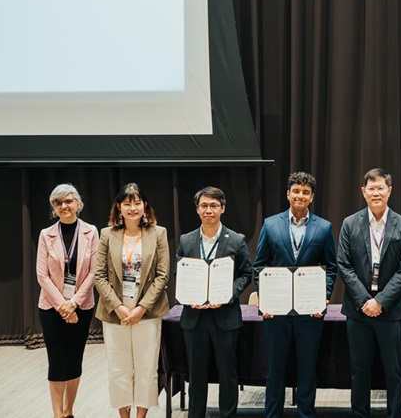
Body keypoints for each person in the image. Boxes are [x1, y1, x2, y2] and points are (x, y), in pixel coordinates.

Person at [253, 172, 338, 418]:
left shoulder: (323, 227)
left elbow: (331, 268)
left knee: (307, 370)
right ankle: (272, 415)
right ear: (288, 193)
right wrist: (264, 299)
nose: (300, 196)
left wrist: (324, 297)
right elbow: (259, 266)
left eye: (305, 192)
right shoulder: (270, 224)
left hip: (309, 312)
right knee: (275, 370)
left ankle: (306, 414)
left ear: (311, 197)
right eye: (296, 191)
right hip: (276, 312)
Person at [338, 168, 401, 418]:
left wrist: (380, 301)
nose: (376, 192)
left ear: (389, 191)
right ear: (363, 192)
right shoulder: (350, 223)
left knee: (393, 371)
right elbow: (344, 265)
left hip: (390, 311)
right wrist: (364, 301)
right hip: (358, 311)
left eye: (381, 187)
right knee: (359, 371)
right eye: (371, 188)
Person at [94, 183, 170, 418]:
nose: (132, 207)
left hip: (147, 313)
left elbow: (162, 274)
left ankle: (141, 416)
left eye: (137, 202)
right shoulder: (107, 234)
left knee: (147, 368)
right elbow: (98, 275)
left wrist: (141, 308)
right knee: (119, 368)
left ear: (145, 206)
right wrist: (117, 306)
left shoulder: (158, 233)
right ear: (119, 208)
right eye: (127, 203)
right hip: (114, 312)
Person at [177, 186, 252, 418]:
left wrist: (228, 294)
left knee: (227, 373)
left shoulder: (237, 240)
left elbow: (246, 274)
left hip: (225, 316)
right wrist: (189, 297)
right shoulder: (186, 239)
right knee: (196, 374)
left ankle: (228, 414)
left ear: (223, 208)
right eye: (204, 206)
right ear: (197, 210)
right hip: (195, 316)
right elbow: (179, 273)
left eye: (213, 205)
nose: (208, 210)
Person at [36, 183, 99, 418]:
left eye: (68, 201)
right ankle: (57, 414)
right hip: (51, 308)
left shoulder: (91, 232)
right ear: (54, 207)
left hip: (81, 307)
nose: (64, 206)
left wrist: (73, 303)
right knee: (56, 360)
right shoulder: (46, 234)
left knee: (74, 358)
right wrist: (63, 305)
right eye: (58, 202)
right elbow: (42, 275)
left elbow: (94, 272)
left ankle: (69, 411)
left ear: (78, 204)